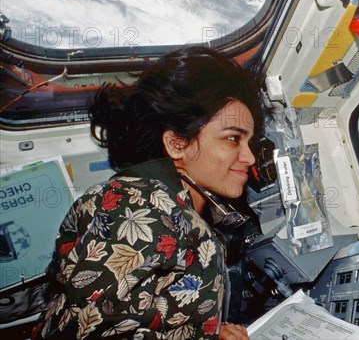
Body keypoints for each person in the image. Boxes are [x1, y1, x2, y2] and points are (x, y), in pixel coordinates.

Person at [32, 46, 264, 339]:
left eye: (249, 142)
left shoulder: (170, 205)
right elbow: (84, 331)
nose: (250, 157)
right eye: (233, 139)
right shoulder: (137, 208)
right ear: (177, 144)